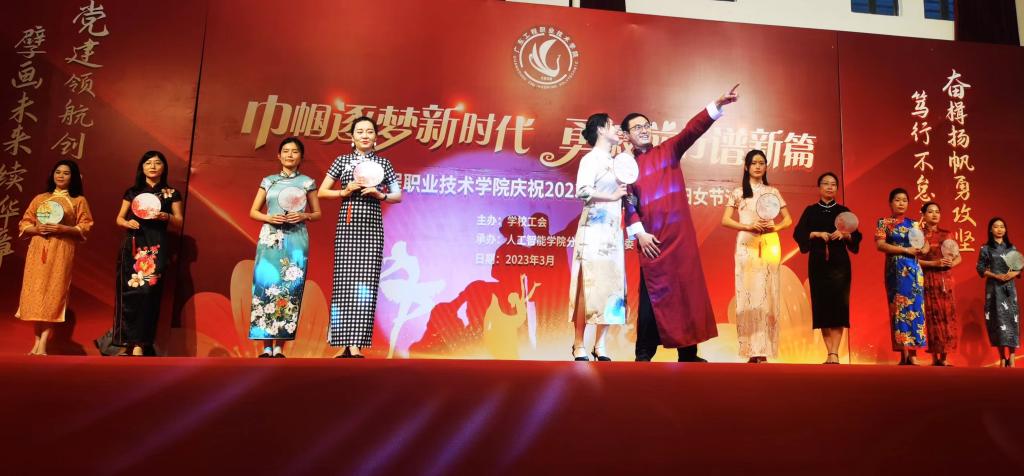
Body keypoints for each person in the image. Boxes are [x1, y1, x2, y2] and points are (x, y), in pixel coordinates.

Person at [622, 85, 739, 362]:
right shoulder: (625, 165)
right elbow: (627, 203)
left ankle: (688, 353)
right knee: (651, 298)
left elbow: (692, 130)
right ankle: (643, 354)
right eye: (636, 127)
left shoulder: (668, 150)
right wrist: (640, 234)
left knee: (686, 293)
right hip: (651, 241)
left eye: (646, 125)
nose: (643, 130)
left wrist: (716, 104)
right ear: (626, 135)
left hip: (680, 238)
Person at [317, 116, 401, 358]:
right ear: (352, 137)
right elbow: (322, 192)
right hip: (348, 228)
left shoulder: (383, 164)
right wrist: (344, 191)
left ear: (376, 137)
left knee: (366, 285)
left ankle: (356, 344)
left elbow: (397, 195)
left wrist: (379, 194)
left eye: (370, 131)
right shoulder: (342, 161)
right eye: (360, 131)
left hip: (372, 229)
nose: (365, 135)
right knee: (343, 283)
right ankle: (342, 342)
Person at [248, 137, 321, 358]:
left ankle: (280, 345)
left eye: (295, 151)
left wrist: (304, 215)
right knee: (266, 284)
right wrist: (269, 217)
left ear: (301, 157)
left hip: (296, 240)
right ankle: (266, 346)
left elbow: (317, 213)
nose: (290, 155)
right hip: (270, 238)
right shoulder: (268, 181)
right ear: (278, 156)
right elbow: (253, 211)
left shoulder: (307, 182)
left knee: (290, 288)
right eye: (286, 151)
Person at [721, 149, 793, 363]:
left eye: (761, 163)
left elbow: (788, 219)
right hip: (746, 244)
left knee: (768, 294)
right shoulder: (738, 192)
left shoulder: (772, 191)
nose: (758, 166)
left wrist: (774, 228)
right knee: (747, 294)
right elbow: (725, 220)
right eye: (754, 163)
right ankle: (750, 349)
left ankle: (764, 349)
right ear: (746, 167)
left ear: (766, 166)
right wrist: (747, 226)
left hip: (768, 244)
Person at [15, 160, 94, 355]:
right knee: (35, 294)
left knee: (53, 293)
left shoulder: (78, 201)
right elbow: (24, 223)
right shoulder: (40, 198)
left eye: (66, 173)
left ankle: (43, 343)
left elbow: (85, 225)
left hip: (61, 250)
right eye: (58, 172)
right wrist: (37, 229)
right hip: (38, 249)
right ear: (52, 175)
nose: (61, 176)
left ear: (73, 177)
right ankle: (36, 343)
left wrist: (63, 228)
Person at [567, 113, 628, 362]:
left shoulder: (618, 161)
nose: (617, 128)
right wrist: (611, 197)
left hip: (613, 231)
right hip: (593, 228)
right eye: (612, 125)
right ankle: (578, 344)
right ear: (601, 130)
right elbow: (582, 191)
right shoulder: (590, 159)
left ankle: (600, 344)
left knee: (613, 287)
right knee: (588, 286)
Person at [111, 151, 183, 356]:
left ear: (163, 167)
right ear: (141, 167)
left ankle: (141, 343)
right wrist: (127, 223)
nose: (152, 166)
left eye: (157, 163)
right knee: (129, 293)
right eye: (148, 163)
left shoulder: (171, 193)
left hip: (155, 247)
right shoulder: (133, 192)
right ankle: (126, 342)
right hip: (133, 245)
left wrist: (165, 216)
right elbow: (119, 218)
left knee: (148, 294)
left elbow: (179, 221)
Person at [792, 172, 861, 364]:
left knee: (839, 306)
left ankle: (834, 353)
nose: (830, 187)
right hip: (818, 263)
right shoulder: (810, 211)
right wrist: (815, 234)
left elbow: (857, 236)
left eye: (833, 184)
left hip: (840, 265)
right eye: (826, 183)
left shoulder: (843, 211)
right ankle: (829, 351)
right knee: (822, 306)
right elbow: (798, 233)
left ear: (837, 188)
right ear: (819, 187)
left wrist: (845, 235)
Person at [874, 188, 927, 365]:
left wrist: (922, 249)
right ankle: (902, 353)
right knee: (898, 308)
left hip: (914, 270)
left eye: (904, 200)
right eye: (897, 200)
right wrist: (905, 250)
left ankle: (913, 354)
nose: (901, 203)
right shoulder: (884, 222)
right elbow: (880, 245)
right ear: (890, 203)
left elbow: (925, 246)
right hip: (895, 269)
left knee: (915, 308)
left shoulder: (915, 224)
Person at [918, 202, 961, 366]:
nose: (934, 215)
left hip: (945, 280)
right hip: (927, 278)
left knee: (946, 316)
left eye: (937, 212)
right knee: (931, 316)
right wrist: (934, 264)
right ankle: (934, 357)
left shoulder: (947, 234)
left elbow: (958, 257)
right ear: (923, 215)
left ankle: (944, 357)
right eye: (930, 212)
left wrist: (951, 263)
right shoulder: (918, 235)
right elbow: (914, 260)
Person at [976, 217, 1020, 367]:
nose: (999, 229)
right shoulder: (985, 248)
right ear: (990, 229)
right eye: (996, 226)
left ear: (1005, 229)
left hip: (1009, 289)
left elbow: (1018, 267)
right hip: (994, 288)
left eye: (1002, 226)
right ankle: (1002, 357)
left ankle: (1012, 356)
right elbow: (980, 268)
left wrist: (1012, 274)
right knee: (997, 320)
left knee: (1012, 320)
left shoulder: (1011, 247)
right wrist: (995, 275)